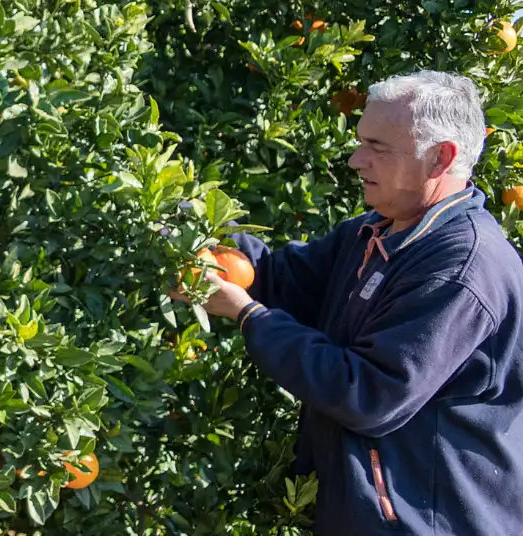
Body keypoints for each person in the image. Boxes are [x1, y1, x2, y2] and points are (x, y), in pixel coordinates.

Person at [171, 70, 523, 535]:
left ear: (441, 157)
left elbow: (369, 394)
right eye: (360, 143)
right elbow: (280, 279)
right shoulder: (376, 231)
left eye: (377, 147)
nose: (356, 160)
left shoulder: (460, 269)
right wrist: (186, 227)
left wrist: (247, 314)